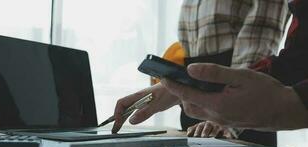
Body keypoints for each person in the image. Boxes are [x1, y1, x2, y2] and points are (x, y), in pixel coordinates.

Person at [112, 0, 308, 134]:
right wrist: (174, 88)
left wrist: (231, 119)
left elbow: (258, 43)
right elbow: (296, 61)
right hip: (208, 99)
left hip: (241, 109)